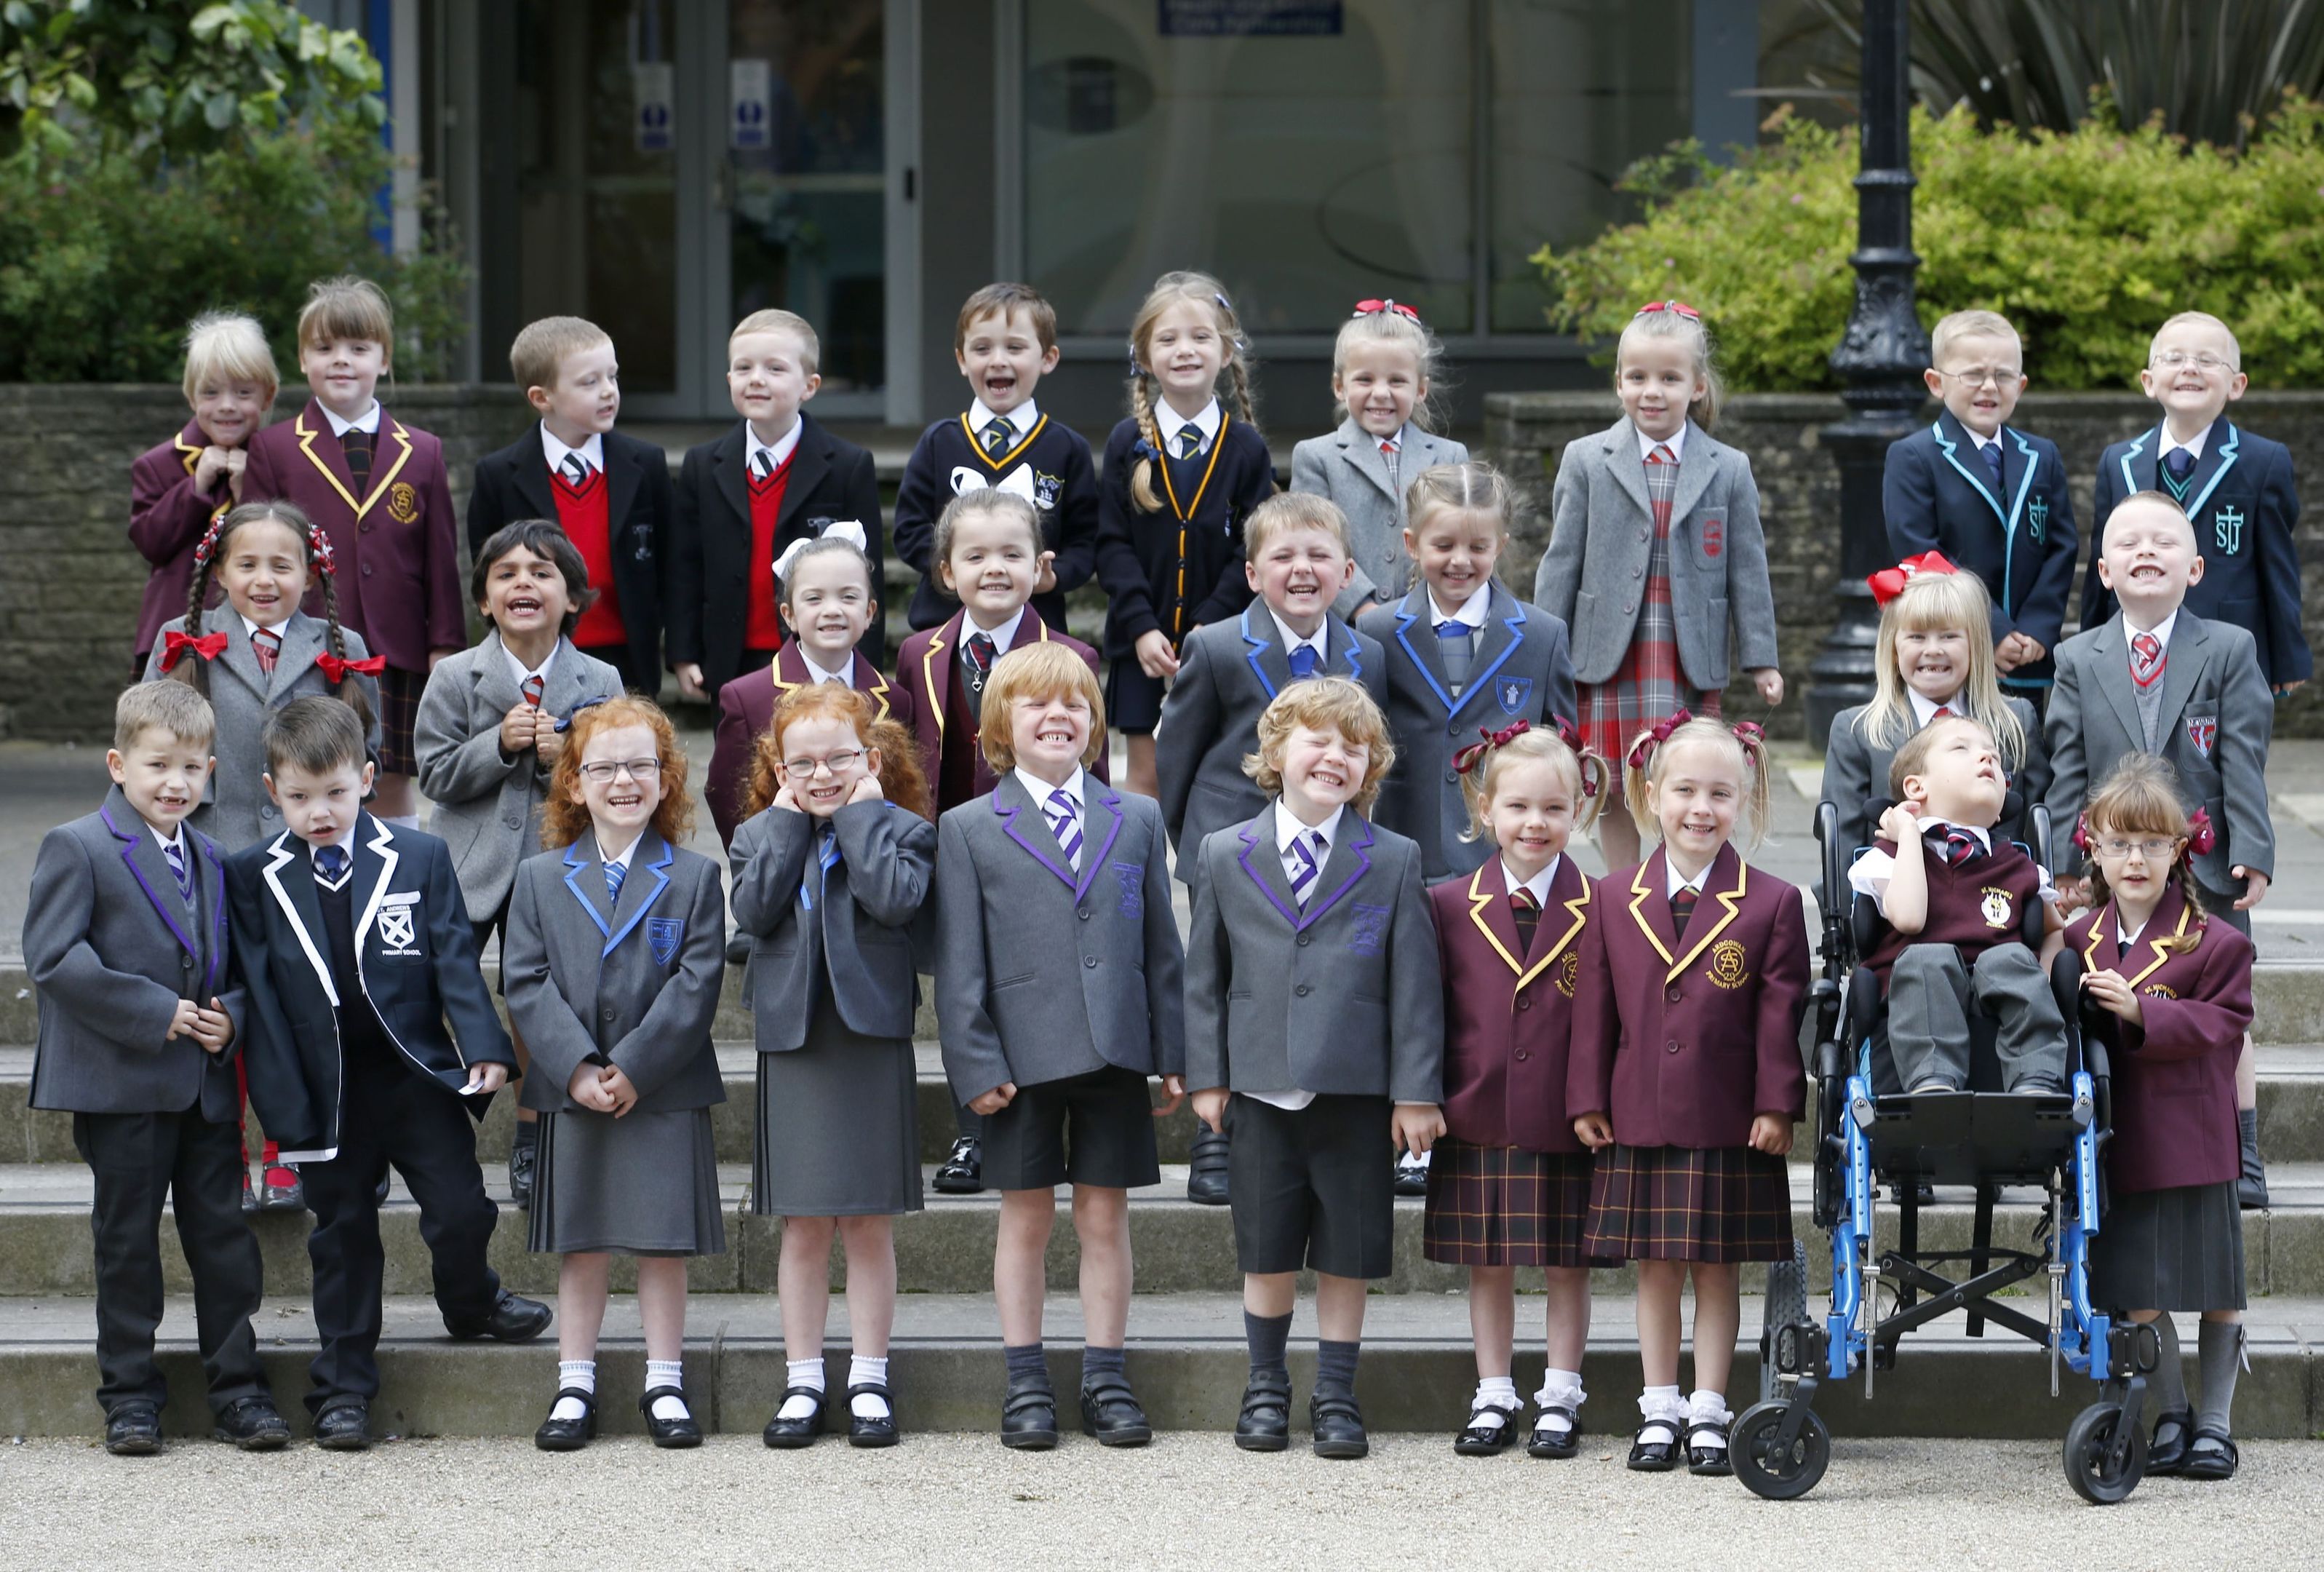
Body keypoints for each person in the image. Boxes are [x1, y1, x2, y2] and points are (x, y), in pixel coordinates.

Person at [226, 697, 552, 1450]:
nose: (319, 813)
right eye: (300, 797)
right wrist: (279, 1100)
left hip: (411, 1071)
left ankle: (470, 1300)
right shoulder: (253, 875)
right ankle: (342, 1386)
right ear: (273, 790)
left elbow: (451, 959)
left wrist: (485, 1043)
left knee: (461, 1208)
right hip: (322, 1084)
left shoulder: (420, 856)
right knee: (340, 1235)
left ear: (367, 779)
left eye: (335, 793)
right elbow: (263, 996)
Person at [23, 683, 288, 1455]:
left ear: (211, 772)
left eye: (192, 769)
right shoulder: (78, 846)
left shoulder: (213, 857)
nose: (176, 783)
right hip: (122, 1087)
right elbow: (54, 957)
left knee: (224, 1244)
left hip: (204, 1086)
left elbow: (237, 965)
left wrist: (230, 1015)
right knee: (128, 1244)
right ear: (118, 764)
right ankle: (130, 1397)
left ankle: (238, 1391)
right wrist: (154, 1011)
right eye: (158, 766)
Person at [1183, 678, 1444, 1461]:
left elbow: (1415, 988)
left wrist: (1414, 1091)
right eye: (1316, 740)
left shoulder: (1393, 860)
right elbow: (1202, 977)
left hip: (1356, 1093)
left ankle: (1336, 1391)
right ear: (1275, 753)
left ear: (1371, 768)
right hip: (1260, 1088)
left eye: (1352, 747)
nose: (1333, 756)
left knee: (1346, 1252)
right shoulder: (1224, 854)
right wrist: (1206, 1076)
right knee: (1264, 1249)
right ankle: (1265, 1386)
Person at [933, 644, 1186, 1450]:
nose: (1057, 717)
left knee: (1105, 1218)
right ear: (1000, 726)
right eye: (1036, 705)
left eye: (1074, 704)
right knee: (1026, 1219)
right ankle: (1025, 1380)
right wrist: (974, 1065)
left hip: (1113, 1050)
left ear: (1095, 721)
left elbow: (1161, 945)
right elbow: (959, 965)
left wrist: (1174, 1049)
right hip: (1018, 1059)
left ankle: (1106, 1376)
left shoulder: (1136, 818)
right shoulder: (968, 828)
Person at [1569, 715, 1807, 1477]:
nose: (1700, 809)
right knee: (1655, 1268)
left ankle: (1709, 1411)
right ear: (1650, 793)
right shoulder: (1610, 896)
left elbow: (1780, 1016)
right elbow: (1594, 1011)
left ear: (1744, 801)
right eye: (1684, 791)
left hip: (1728, 1118)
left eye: (1719, 793)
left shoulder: (1769, 903)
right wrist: (1585, 1097)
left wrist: (1775, 1104)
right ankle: (1658, 1408)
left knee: (1716, 1269)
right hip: (1637, 1111)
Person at [503, 696, 728, 1450]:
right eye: (605, 767)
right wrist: (574, 1070)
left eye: (642, 765)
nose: (624, 780)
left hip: (660, 1088)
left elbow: (696, 985)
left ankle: (663, 1383)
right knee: (583, 1242)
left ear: (666, 780)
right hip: (573, 1094)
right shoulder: (537, 878)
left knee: (663, 1243)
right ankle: (576, 1384)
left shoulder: (695, 878)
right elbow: (526, 982)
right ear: (573, 783)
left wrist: (631, 1067)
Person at [1151, 491, 1388, 1204]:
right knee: (1228, 982)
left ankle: (1309, 1118)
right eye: (1283, 556)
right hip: (1234, 851)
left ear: (1346, 571)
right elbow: (1178, 758)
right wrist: (1196, 844)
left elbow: (1370, 757)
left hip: (1329, 848)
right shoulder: (1216, 645)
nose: (1302, 569)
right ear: (1253, 572)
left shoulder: (1364, 654)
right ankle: (1213, 1131)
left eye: (1318, 555)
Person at [2048, 491, 2276, 1206]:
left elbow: (2242, 756)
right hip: (2113, 866)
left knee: (2218, 1008)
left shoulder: (2229, 649)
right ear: (2104, 573)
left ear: (2195, 568)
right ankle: (2115, 1139)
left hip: (2205, 867)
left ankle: (2241, 1150)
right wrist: (2064, 863)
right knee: (2122, 1004)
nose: (2145, 551)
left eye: (2163, 542)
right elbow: (2064, 770)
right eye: (2127, 543)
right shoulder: (2075, 658)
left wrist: (2254, 849)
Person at [731, 683, 936, 1450]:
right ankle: (804, 1377)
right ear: (778, 769)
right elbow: (752, 912)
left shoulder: (903, 832)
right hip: (796, 1042)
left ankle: (871, 1377)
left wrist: (860, 813)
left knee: (867, 1221)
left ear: (871, 761)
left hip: (868, 1039)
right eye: (802, 764)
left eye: (839, 760)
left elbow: (892, 902)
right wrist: (786, 821)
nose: (821, 776)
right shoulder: (758, 835)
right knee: (804, 1223)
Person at [898, 489, 1103, 1196]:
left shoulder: (1071, 655)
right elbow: (909, 759)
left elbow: (1096, 767)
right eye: (975, 555)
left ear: (1041, 567)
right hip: (955, 853)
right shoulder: (918, 654)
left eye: (1011, 554)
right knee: (965, 988)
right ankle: (971, 1131)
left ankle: (1045, 1127)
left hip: (1044, 859)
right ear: (945, 572)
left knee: (1034, 988)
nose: (994, 568)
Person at [415, 520, 621, 1210]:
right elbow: (435, 774)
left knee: (545, 998)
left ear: (572, 599)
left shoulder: (600, 677)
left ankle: (536, 1134)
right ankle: (422, 1125)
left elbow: (620, 776)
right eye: (505, 574)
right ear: (483, 600)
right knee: (427, 990)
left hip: (556, 863)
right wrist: (497, 745)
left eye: (541, 573)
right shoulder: (453, 676)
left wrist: (568, 758)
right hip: (465, 866)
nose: (523, 584)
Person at [1533, 301, 1781, 873]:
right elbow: (1561, 562)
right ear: (1619, 383)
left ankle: (1680, 881)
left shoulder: (1728, 467)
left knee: (1681, 770)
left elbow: (1749, 568)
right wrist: (1543, 652)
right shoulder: (1587, 460)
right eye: (1638, 377)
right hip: (1607, 654)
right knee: (1614, 776)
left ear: (1697, 386)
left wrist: (1762, 659)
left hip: (1684, 653)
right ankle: (1622, 885)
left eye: (1670, 378)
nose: (1653, 391)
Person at [1425, 718, 1612, 1460]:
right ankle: (1493, 1392)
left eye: (1553, 809)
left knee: (1566, 1262)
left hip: (1568, 1115)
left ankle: (1560, 1394)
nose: (1534, 824)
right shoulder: (1444, 904)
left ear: (1579, 811)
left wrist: (1596, 1099)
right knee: (1489, 1260)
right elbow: (1429, 1011)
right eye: (1517, 808)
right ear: (1483, 809)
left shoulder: (1600, 902)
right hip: (1479, 1109)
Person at [2067, 755, 2256, 1482]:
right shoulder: (2078, 938)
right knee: (2139, 1294)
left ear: (2179, 848)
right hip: (2118, 1142)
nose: (2134, 859)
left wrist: (2144, 1010)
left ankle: (2214, 1425)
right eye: (2118, 843)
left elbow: (2223, 1025)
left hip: (2192, 1138)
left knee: (2214, 1290)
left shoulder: (2216, 942)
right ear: (2094, 847)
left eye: (2150, 843)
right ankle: (2172, 1415)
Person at [239, 276, 461, 826]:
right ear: (302, 359)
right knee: (308, 775)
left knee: (388, 777)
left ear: (384, 360)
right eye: (325, 348)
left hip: (396, 648)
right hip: (305, 646)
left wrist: (445, 647)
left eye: (359, 349)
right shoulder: (274, 448)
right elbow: (252, 547)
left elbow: (441, 561)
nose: (342, 361)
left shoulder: (424, 451)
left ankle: (391, 886)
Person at [1092, 271, 1275, 800]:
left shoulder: (1246, 449)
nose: (1185, 350)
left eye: (1201, 337)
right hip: (1139, 643)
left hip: (1221, 644)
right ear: (1145, 357)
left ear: (1225, 352)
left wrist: (1209, 624)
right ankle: (1140, 886)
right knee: (1143, 782)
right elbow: (1113, 544)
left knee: (1216, 779)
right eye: (1168, 339)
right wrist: (1143, 627)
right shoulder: (1127, 443)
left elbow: (1252, 548)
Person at [1360, 461, 1577, 885]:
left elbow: (1563, 746)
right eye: (1443, 545)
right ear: (1412, 544)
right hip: (1406, 848)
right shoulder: (1377, 632)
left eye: (1478, 547)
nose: (1461, 561)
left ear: (1500, 546)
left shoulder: (1542, 635)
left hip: (1506, 860)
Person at [2082, 311, 2308, 696]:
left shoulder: (2262, 460)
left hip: (2228, 650)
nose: (2190, 369)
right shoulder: (2117, 462)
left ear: (2236, 385)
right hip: (2136, 648)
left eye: (2207, 360)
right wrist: (2088, 648)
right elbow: (2097, 569)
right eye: (2174, 359)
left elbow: (2278, 565)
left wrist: (2288, 656)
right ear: (2148, 382)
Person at [668, 308, 885, 699]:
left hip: (819, 656)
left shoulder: (848, 466)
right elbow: (686, 566)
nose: (757, 379)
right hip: (731, 656)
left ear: (810, 385)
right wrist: (684, 653)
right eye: (744, 367)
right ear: (730, 379)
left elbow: (870, 577)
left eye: (775, 369)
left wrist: (863, 665)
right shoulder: (702, 465)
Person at [1847, 715, 2069, 1096]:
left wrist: (2045, 979)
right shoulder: (1887, 858)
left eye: (1995, 758)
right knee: (1925, 959)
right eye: (1962, 749)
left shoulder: (2019, 867)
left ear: (2001, 807)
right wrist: (1911, 837)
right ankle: (1933, 1085)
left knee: (2013, 960)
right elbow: (1910, 918)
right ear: (1915, 788)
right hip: (1915, 1007)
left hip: (1999, 1002)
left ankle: (2037, 1078)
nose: (1986, 759)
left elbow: (2053, 931)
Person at [144, 501, 383, 855]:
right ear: (221, 573)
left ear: (310, 576)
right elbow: (146, 746)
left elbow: (367, 754)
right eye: (247, 565)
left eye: (282, 566)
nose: (264, 580)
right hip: (207, 843)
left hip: (311, 847)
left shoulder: (343, 645)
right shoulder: (181, 637)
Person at [466, 316, 672, 695]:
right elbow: (490, 573)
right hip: (536, 654)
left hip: (627, 655)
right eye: (589, 382)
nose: (609, 391)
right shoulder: (497, 475)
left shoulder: (646, 464)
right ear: (542, 398)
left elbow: (671, 565)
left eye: (613, 376)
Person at [1882, 309, 2078, 707]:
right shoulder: (1913, 456)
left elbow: (2062, 546)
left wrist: (2037, 629)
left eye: (2003, 376)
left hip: (2027, 654)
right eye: (1973, 375)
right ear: (1936, 383)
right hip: (1955, 653)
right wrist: (1991, 631)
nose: (1989, 387)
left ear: (2020, 385)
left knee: (2025, 755)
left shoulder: (2043, 455)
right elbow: (1922, 555)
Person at [893, 282, 1100, 634]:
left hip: (1035, 630)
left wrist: (1056, 575)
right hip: (943, 626)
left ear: (1047, 358)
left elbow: (1086, 541)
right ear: (962, 359)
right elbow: (909, 529)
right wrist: (959, 568)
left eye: (1015, 347)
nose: (998, 360)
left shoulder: (1068, 449)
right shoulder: (938, 442)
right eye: (982, 348)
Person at [1823, 552, 2047, 854]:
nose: (1933, 650)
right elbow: (1841, 846)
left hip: (1995, 895)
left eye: (1949, 636)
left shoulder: (2014, 721)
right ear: (1893, 649)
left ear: (1976, 646)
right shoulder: (1857, 731)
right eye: (1917, 637)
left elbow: (2036, 826)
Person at [705, 531, 910, 849]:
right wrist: (761, 861)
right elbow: (726, 796)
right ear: (789, 615)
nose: (832, 610)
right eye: (814, 598)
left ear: (869, 613)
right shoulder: (747, 698)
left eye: (848, 597)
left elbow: (904, 793)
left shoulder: (894, 699)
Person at [1288, 298, 1468, 616]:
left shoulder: (1449, 455)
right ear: (1340, 386)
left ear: (1421, 390)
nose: (1381, 393)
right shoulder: (1316, 457)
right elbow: (1313, 544)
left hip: (1429, 624)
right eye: (1365, 380)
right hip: (1344, 631)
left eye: (1397, 381)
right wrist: (1363, 608)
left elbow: (1458, 543)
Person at [129, 312, 278, 678]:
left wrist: (250, 492)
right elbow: (151, 543)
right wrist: (194, 489)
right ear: (192, 398)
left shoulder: (279, 463)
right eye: (211, 392)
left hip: (260, 637)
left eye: (243, 392)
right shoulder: (159, 465)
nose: (227, 405)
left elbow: (291, 544)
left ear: (267, 397)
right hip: (175, 635)